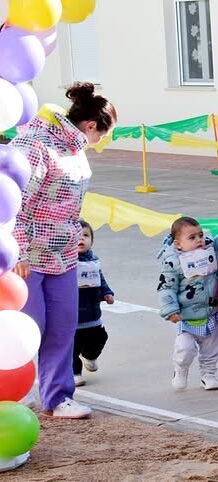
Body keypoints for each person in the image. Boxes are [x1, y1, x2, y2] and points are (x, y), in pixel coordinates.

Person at [11, 82, 117, 419]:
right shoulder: (36, 144)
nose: (100, 141)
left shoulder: (74, 146)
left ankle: (57, 398)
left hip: (64, 253)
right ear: (90, 126)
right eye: (103, 134)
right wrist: (19, 252)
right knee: (29, 329)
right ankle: (12, 394)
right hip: (28, 257)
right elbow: (16, 202)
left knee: (62, 326)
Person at [157, 216, 218, 391]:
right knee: (185, 349)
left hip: (210, 314)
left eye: (200, 235)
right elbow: (166, 287)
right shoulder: (173, 262)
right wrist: (170, 310)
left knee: (211, 349)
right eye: (192, 237)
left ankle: (208, 375)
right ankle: (180, 370)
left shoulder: (211, 250)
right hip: (187, 317)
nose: (199, 240)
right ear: (178, 244)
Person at [73, 219, 113, 387]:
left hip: (92, 314)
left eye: (85, 235)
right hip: (72, 316)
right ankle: (75, 373)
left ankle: (90, 356)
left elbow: (100, 280)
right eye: (76, 236)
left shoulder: (93, 261)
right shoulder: (66, 262)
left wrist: (107, 293)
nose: (81, 239)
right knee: (71, 349)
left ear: (92, 241)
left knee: (99, 338)